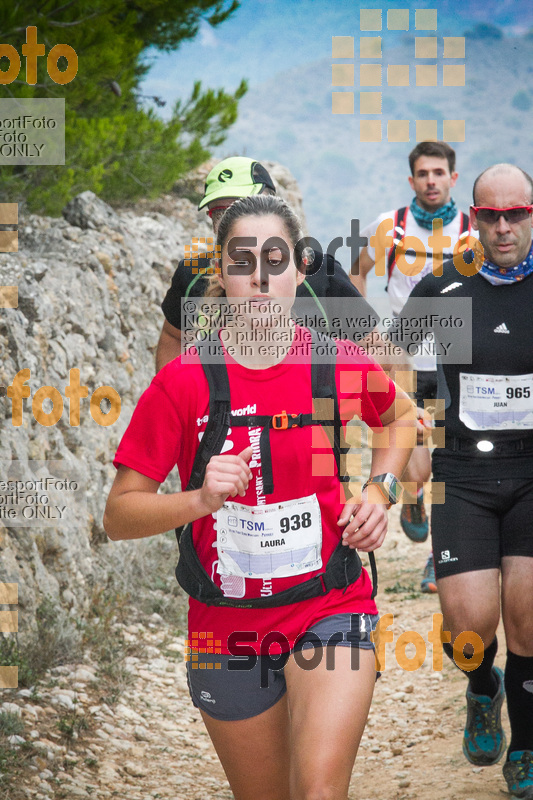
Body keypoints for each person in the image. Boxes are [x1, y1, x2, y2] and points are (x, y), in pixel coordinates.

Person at [105, 195, 416, 800]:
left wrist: (380, 492)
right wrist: (198, 500)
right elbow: (120, 514)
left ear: (299, 270)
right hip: (224, 628)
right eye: (242, 260)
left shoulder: (332, 359)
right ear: (220, 273)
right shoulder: (184, 380)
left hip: (329, 604)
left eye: (276, 259)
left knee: (320, 791)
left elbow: (401, 417)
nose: (260, 276)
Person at [392, 163, 533, 799]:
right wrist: (414, 416)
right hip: (463, 474)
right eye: (491, 216)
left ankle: (526, 748)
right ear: (472, 218)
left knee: (529, 620)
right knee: (470, 630)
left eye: (517, 215)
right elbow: (397, 349)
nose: (503, 228)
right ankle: (483, 689)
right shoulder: (448, 286)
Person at [351, 140, 474, 592]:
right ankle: (412, 498)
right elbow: (356, 272)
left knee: (450, 463)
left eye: (439, 173)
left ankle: (438, 560)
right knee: (415, 467)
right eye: (423, 174)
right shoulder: (391, 226)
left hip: (456, 363)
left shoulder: (472, 229)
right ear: (412, 180)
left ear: (453, 178)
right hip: (402, 360)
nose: (431, 181)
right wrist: (365, 334)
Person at [156, 156, 380, 371]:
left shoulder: (320, 271)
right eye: (220, 213)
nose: (232, 219)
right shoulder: (192, 275)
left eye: (245, 205)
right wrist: (176, 401)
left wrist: (334, 401)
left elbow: (375, 351)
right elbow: (173, 337)